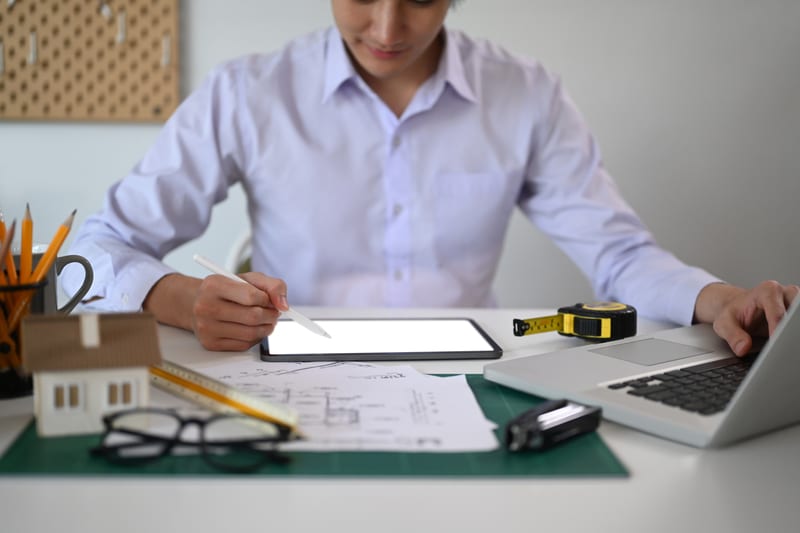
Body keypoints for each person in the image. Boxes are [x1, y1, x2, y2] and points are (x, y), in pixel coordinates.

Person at [64, 0, 797, 354]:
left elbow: (620, 254)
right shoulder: (245, 94)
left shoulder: (527, 94)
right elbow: (90, 253)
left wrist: (715, 296)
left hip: (475, 378)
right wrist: (178, 295)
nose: (387, 30)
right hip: (289, 376)